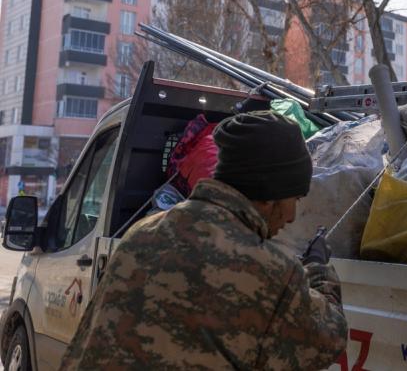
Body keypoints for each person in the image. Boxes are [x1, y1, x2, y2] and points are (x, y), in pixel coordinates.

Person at [60, 111, 348, 370]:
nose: (292, 216)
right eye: (294, 198)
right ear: (269, 195)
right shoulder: (269, 272)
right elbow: (327, 342)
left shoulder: (141, 233)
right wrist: (318, 270)